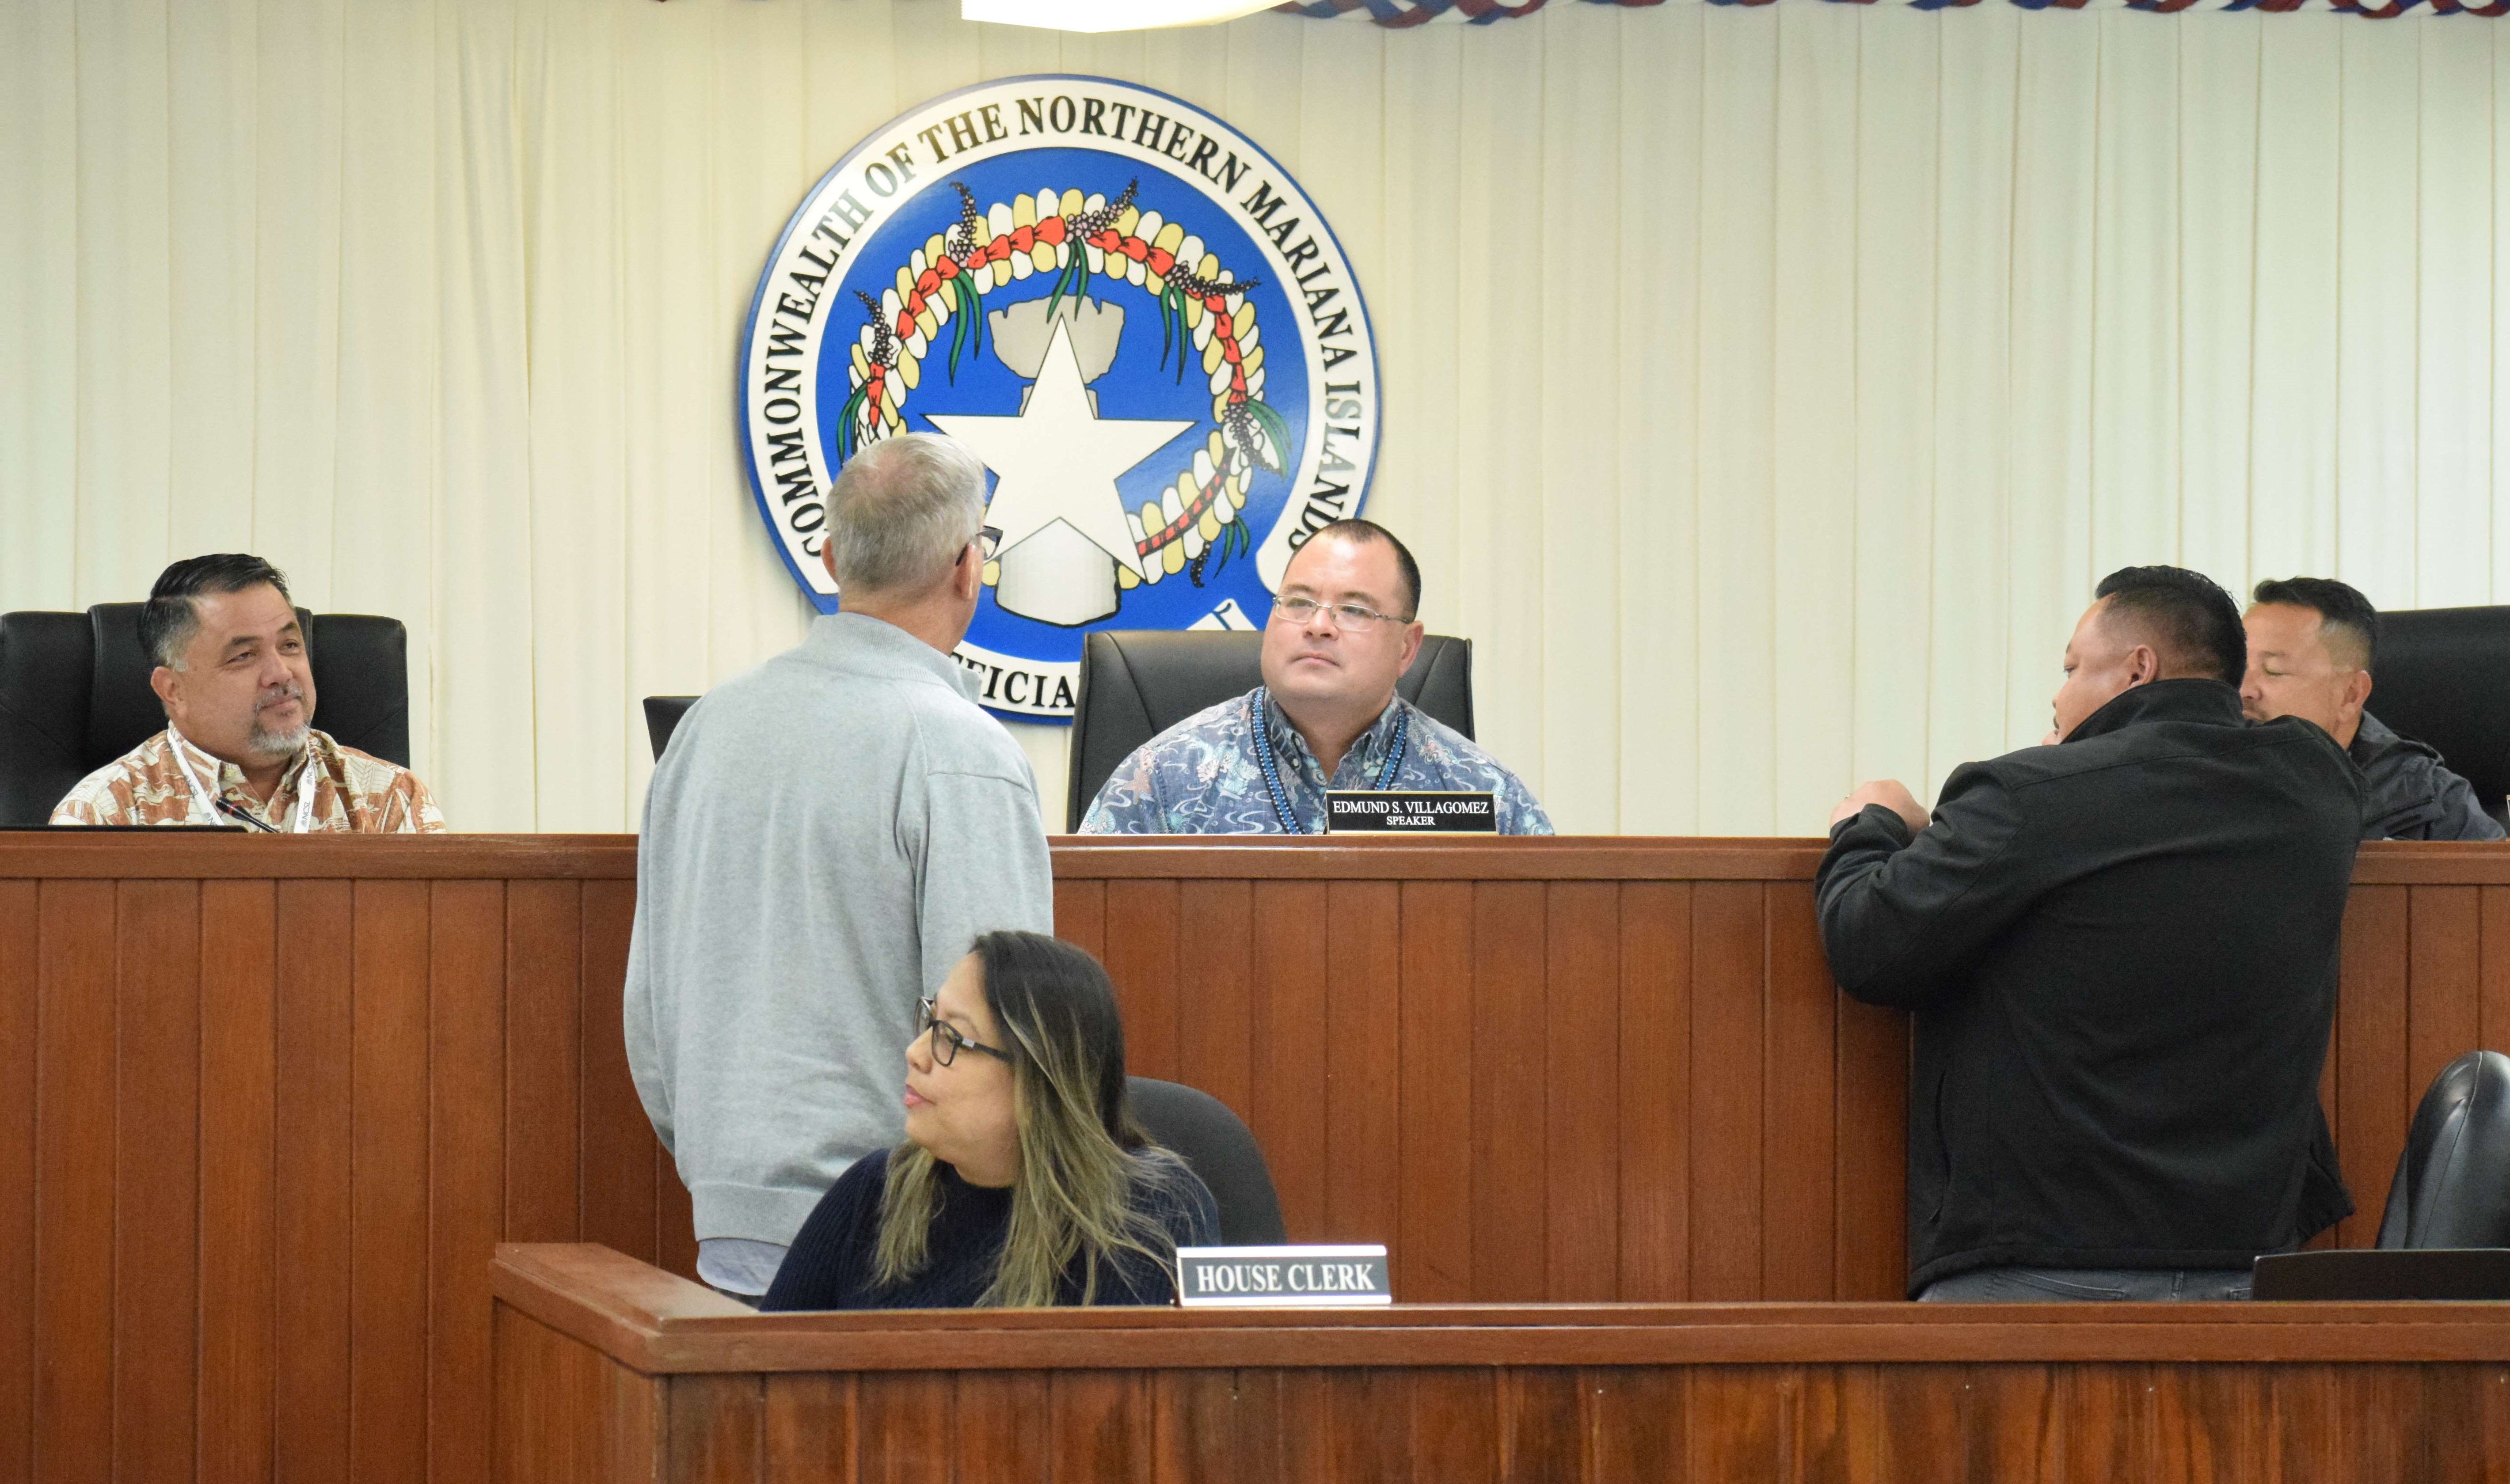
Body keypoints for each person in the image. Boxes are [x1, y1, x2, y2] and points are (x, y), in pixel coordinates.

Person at [1817, 566, 2361, 1302]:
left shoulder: (2026, 797)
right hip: (2245, 1266)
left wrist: (1871, 823)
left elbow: (1868, 940)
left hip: (2034, 1263)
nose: (2057, 691)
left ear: (2139, 667)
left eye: (2073, 666)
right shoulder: (2319, 787)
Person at [625, 433, 1055, 1306]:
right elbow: (1002, 1041)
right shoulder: (962, 752)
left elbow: (648, 1012)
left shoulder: (706, 730)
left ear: (828, 556)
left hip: (731, 1227)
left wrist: (725, 1171)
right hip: (907, 1243)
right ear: (969, 568)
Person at [762, 931, 1219, 1310]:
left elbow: (1125, 1406)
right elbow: (769, 1375)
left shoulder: (1152, 1212)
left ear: (1038, 1081)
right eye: (930, 1020)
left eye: (953, 1037)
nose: (915, 1052)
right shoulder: (873, 1190)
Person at [1078, 518, 1551, 835]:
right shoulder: (1162, 776)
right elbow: (1085, 940)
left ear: (1406, 647)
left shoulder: (1481, 793)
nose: (1318, 625)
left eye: (1353, 609)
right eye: (1299, 602)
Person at [49, 554, 446, 832]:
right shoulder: (105, 813)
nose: (280, 673)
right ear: (174, 690)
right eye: (244, 656)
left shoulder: (390, 800)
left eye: (290, 646)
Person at [2241, 576, 2505, 842]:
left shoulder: (2430, 802)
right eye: (2238, 667)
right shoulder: (2207, 772)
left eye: (2274, 671)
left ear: (2350, 694)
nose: (2244, 690)